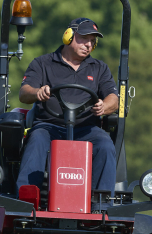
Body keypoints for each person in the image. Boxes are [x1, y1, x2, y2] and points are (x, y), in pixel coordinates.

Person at [16, 17, 119, 195]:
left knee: (105, 144)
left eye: (92, 41)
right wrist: (37, 92)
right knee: (37, 139)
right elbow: (24, 92)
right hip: (49, 127)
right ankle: (27, 197)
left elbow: (114, 98)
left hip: (86, 129)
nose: (88, 45)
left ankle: (100, 202)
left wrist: (104, 106)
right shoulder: (42, 64)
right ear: (68, 36)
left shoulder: (99, 68)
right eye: (84, 38)